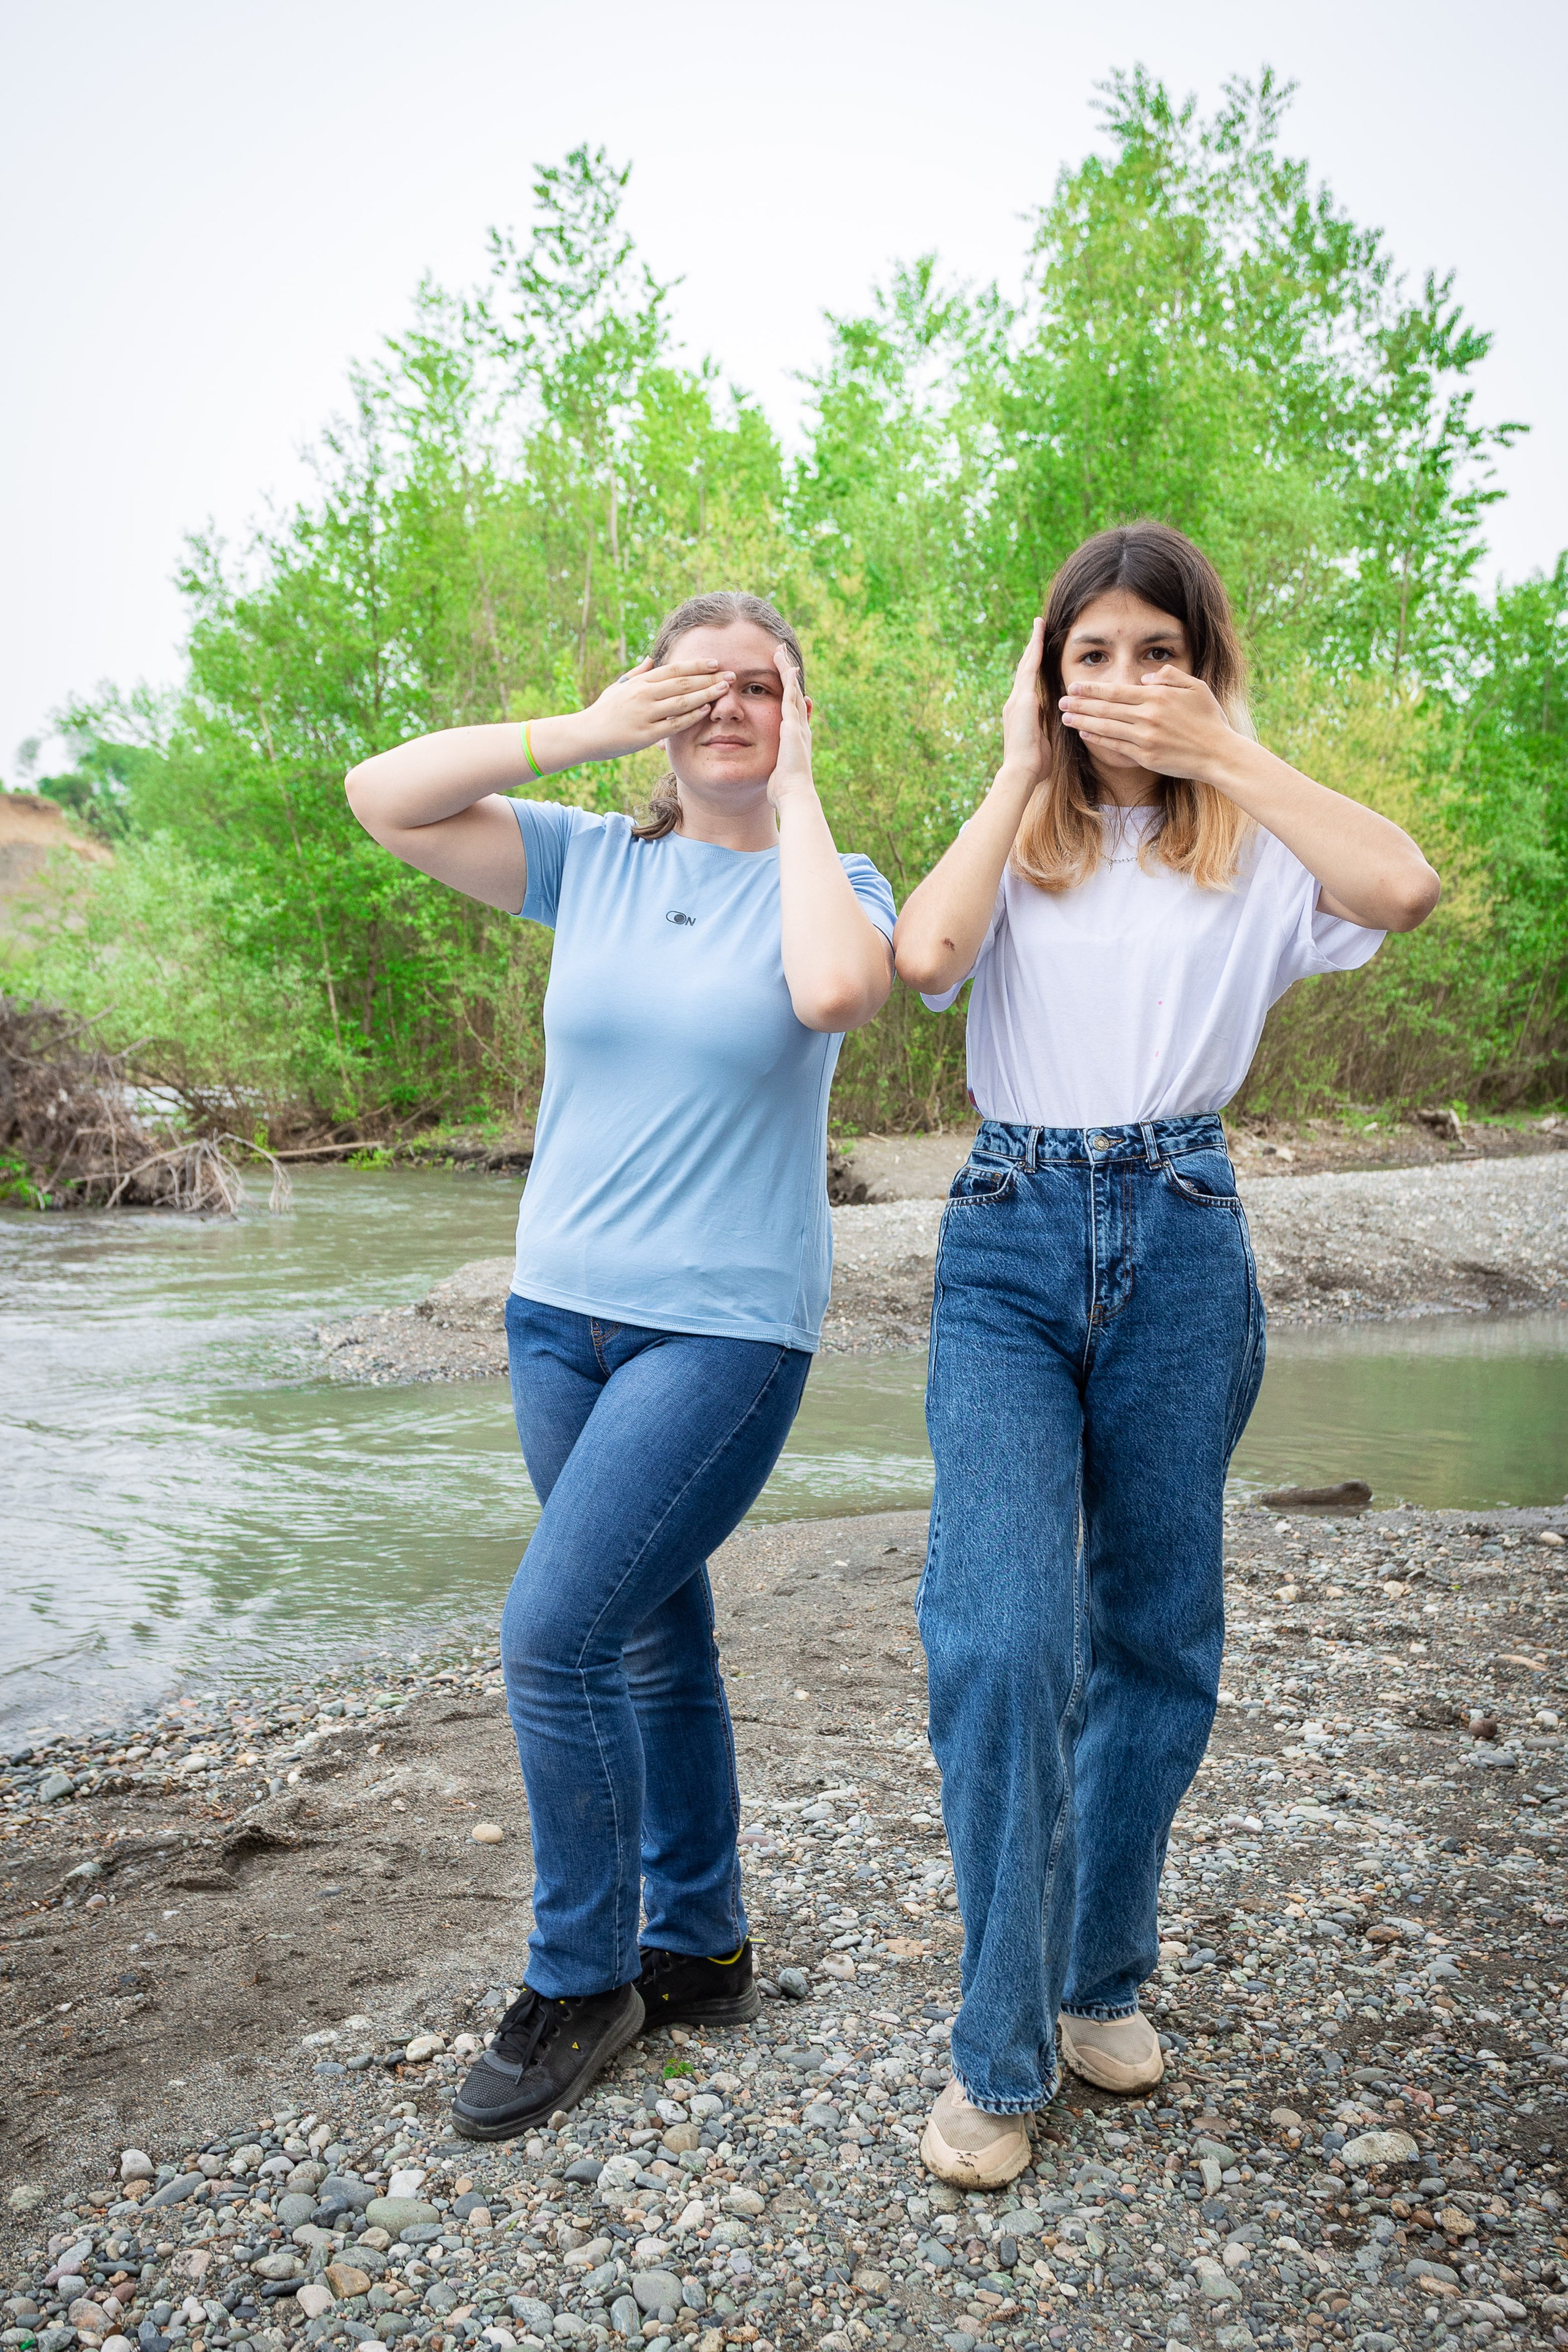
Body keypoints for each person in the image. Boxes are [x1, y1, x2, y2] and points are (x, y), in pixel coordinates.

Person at [893, 522, 1439, 2187]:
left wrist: (1227, 750)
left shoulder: (1255, 846)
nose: (1125, 685)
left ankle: (1097, 1974)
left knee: (1157, 1638)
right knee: (997, 1637)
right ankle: (999, 2058)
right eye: (1093, 656)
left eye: (1159, 653)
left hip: (1186, 1229)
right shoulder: (1023, 834)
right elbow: (922, 960)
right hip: (1007, 1232)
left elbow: (1402, 887)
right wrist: (1011, 768)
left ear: (1205, 667)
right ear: (1048, 680)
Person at [345, 590, 895, 2139]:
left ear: (798, 716)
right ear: (653, 697)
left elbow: (838, 992)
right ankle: (701, 1943)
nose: (726, 707)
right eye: (695, 683)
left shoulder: (831, 879)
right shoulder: (590, 856)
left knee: (550, 1636)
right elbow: (380, 797)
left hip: (723, 1332)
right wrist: (587, 731)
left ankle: (583, 1976)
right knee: (649, 1636)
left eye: (761, 687)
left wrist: (793, 793)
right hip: (555, 1319)